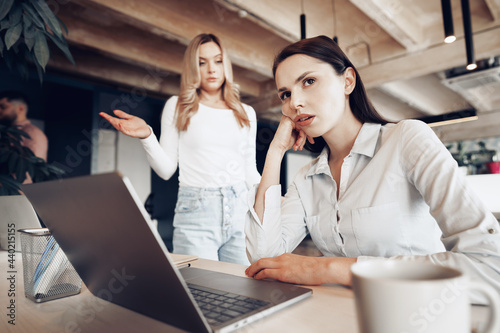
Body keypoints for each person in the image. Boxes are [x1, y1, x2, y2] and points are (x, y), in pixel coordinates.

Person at [244, 35, 500, 303]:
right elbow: (264, 260)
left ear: (348, 81)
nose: (294, 103)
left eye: (309, 81)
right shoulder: (306, 178)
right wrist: (275, 152)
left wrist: (331, 268)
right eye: (285, 94)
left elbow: (490, 265)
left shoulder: (406, 140)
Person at [100, 33, 261, 265]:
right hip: (196, 214)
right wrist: (147, 136)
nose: (211, 69)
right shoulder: (177, 106)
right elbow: (166, 170)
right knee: (201, 292)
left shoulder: (246, 112)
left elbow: (250, 171)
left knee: (243, 291)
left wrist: (271, 201)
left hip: (240, 213)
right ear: (192, 68)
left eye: (217, 61)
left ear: (226, 64)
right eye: (201, 62)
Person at [0, 91, 48, 161]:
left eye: (3, 107)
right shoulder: (6, 131)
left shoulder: (33, 133)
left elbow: (32, 167)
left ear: (21, 109)